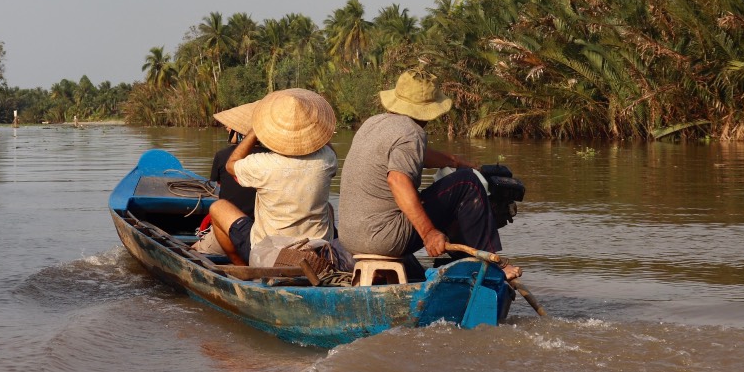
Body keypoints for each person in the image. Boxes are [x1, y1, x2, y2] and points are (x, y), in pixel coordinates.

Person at [338, 70, 521, 282]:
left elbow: (418, 156)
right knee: (466, 182)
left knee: (460, 176)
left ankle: (464, 264)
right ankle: (489, 266)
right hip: (382, 238)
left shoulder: (373, 124)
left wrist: (454, 161)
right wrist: (429, 233)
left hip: (350, 238)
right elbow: (397, 180)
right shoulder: (411, 133)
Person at [208, 88, 338, 266]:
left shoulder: (262, 164)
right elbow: (326, 147)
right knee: (329, 207)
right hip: (315, 249)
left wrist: (254, 131)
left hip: (270, 253)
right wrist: (316, 129)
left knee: (218, 207)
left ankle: (244, 269)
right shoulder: (326, 160)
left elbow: (232, 165)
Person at [209, 101, 260, 218]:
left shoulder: (222, 155)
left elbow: (220, 184)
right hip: (261, 221)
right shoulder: (272, 156)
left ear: (239, 131)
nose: (227, 128)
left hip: (232, 221)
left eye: (231, 126)